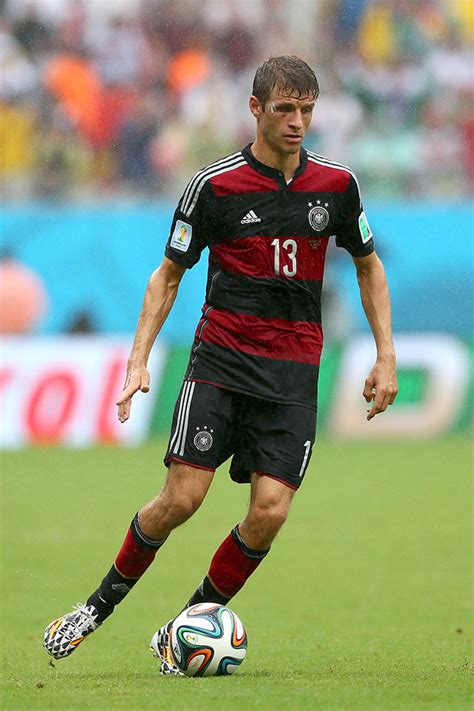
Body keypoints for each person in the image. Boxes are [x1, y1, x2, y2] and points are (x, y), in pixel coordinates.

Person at [43, 55, 398, 673]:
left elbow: (368, 265)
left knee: (270, 513)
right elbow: (167, 277)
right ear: (256, 109)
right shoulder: (215, 186)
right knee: (181, 500)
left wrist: (385, 356)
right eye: (285, 109)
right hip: (222, 365)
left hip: (292, 375)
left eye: (307, 109)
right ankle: (94, 609)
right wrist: (138, 362)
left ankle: (185, 627)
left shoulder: (337, 186)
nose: (297, 122)